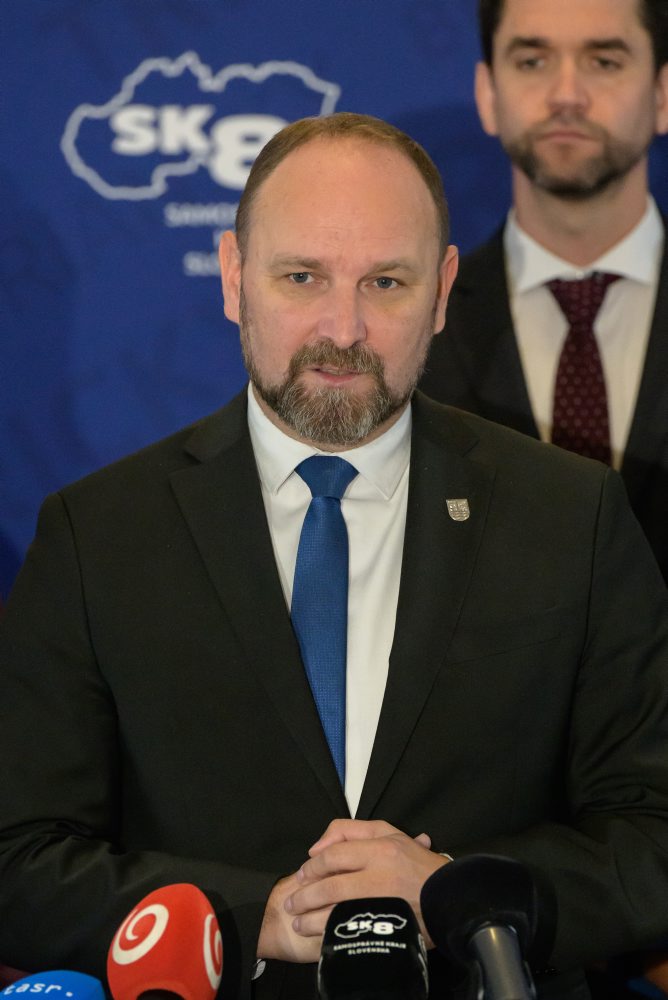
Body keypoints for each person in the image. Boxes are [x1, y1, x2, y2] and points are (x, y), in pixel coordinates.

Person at [1, 112, 668, 1000]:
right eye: (302, 276)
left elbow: (652, 835)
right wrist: (256, 918)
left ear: (442, 292)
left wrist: (456, 896)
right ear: (233, 276)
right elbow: (19, 857)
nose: (343, 329)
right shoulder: (98, 536)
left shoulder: (571, 516)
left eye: (386, 282)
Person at [419, 0, 668, 584]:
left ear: (662, 93)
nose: (566, 95)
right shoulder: (415, 324)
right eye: (532, 61)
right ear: (487, 93)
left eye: (604, 61)